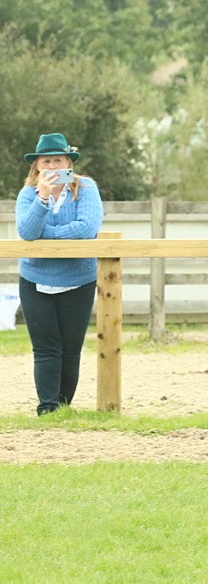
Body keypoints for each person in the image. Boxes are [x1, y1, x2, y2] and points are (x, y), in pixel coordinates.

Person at [15, 133, 104, 415]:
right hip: (35, 279)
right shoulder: (28, 194)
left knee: (70, 349)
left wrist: (48, 238)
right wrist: (41, 198)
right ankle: (47, 407)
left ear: (68, 162)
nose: (52, 166)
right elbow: (27, 232)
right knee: (45, 348)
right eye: (46, 161)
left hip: (78, 279)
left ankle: (64, 407)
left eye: (58, 160)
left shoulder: (86, 188)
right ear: (37, 166)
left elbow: (86, 228)